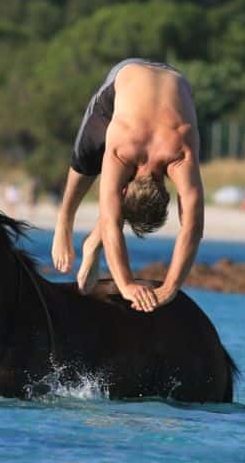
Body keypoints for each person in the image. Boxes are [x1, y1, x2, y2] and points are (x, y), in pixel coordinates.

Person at [52, 58, 204, 313]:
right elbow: (113, 222)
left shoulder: (180, 153)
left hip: (173, 80)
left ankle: (92, 244)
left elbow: (193, 227)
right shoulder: (124, 147)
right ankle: (64, 220)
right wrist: (128, 285)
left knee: (110, 196)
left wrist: (168, 286)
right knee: (85, 159)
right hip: (127, 77)